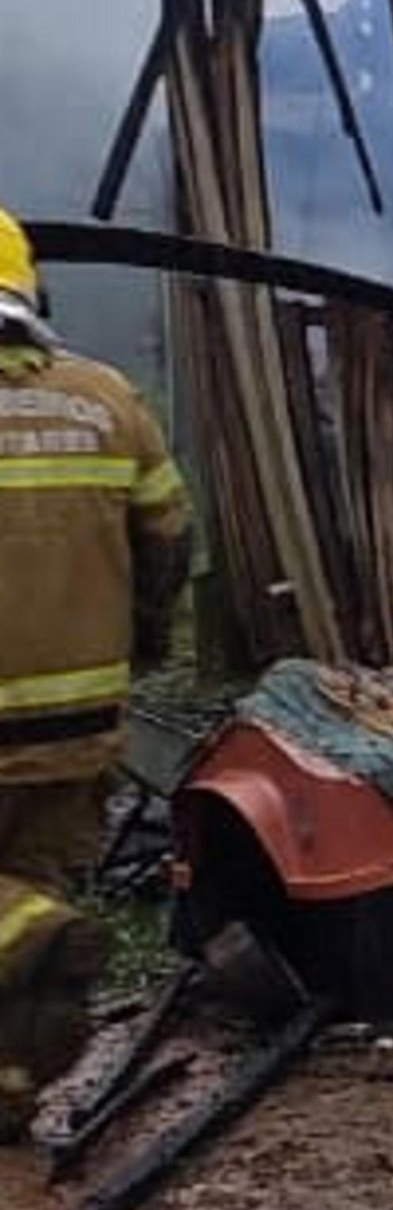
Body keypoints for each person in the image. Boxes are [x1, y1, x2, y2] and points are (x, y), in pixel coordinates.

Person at [0, 206, 192, 1145]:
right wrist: (142, 644)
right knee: (34, 882)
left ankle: (25, 925)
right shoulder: (110, 399)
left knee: (20, 921)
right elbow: (168, 543)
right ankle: (6, 1090)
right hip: (78, 726)